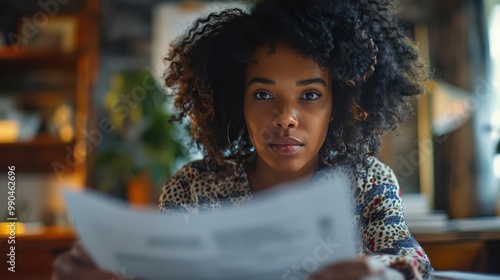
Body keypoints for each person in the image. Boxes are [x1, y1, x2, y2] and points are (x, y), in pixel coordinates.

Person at [53, 0, 433, 279]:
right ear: (237, 100)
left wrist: (387, 273)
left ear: (341, 103)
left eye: (311, 95)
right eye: (263, 95)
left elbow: (411, 260)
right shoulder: (193, 188)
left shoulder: (368, 182)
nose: (285, 118)